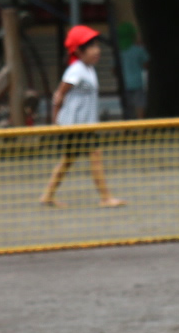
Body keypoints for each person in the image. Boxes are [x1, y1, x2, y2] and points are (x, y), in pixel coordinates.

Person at [40, 25, 124, 208]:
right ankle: (105, 197)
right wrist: (55, 122)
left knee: (68, 160)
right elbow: (59, 95)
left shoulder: (88, 69)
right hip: (76, 125)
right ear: (78, 51)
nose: (97, 50)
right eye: (91, 47)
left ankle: (47, 196)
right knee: (94, 155)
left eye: (96, 46)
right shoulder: (76, 70)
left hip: (82, 124)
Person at [117, 22, 149, 120]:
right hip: (138, 83)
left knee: (127, 108)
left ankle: (127, 130)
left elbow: (114, 70)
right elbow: (146, 65)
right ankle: (141, 129)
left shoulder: (118, 52)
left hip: (124, 84)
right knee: (140, 106)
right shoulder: (138, 50)